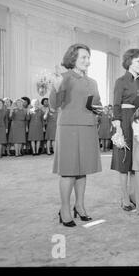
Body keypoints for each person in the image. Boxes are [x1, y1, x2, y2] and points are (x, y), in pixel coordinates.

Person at [50, 43, 102, 227]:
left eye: (88, 58)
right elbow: (54, 105)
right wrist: (56, 88)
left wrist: (100, 110)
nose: (87, 61)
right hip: (69, 128)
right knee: (69, 171)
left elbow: (97, 104)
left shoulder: (93, 82)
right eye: (83, 58)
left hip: (88, 127)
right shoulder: (63, 78)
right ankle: (64, 208)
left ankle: (79, 205)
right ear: (73, 59)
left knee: (82, 170)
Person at [111, 49, 139, 211]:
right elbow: (116, 105)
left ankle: (134, 195)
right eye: (138, 61)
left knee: (137, 160)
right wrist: (118, 128)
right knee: (124, 161)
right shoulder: (121, 81)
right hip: (125, 121)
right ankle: (124, 198)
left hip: (138, 121)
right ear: (129, 62)